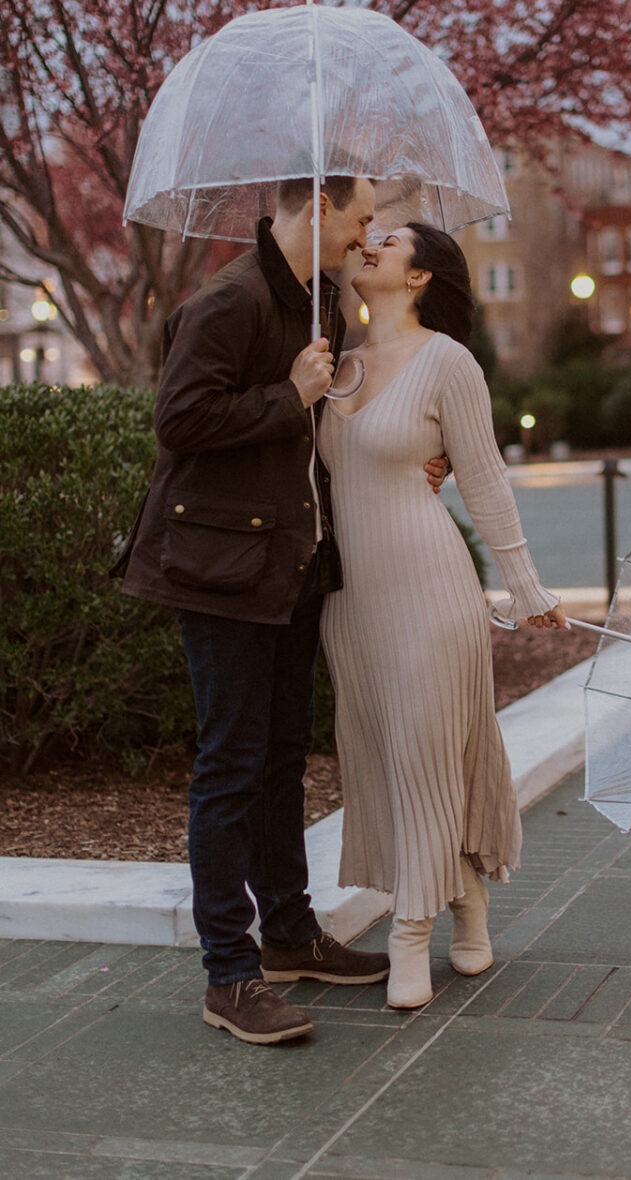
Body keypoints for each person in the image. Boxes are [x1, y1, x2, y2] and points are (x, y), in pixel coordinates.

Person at [115, 175, 446, 1045]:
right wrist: (286, 396)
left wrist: (414, 459)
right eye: (362, 215)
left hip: (291, 566)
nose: (368, 233)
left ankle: (291, 937)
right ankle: (230, 975)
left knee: (279, 761)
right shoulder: (227, 302)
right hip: (221, 569)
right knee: (230, 765)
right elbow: (180, 421)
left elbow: (324, 437)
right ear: (319, 205)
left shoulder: (317, 307)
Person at [317, 221, 567, 1010]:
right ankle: (467, 896)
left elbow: (485, 479)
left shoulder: (448, 362)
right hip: (349, 601)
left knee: (428, 745)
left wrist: (526, 586)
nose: (368, 245)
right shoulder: (331, 367)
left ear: (420, 277)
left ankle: (407, 933)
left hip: (430, 587)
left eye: (386, 242)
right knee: (390, 757)